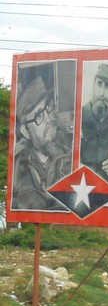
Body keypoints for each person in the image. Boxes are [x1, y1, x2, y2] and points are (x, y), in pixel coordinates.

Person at [12, 75, 73, 210]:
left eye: (48, 107)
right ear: (26, 131)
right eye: (39, 115)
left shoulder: (74, 153)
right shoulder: (16, 172)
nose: (49, 119)